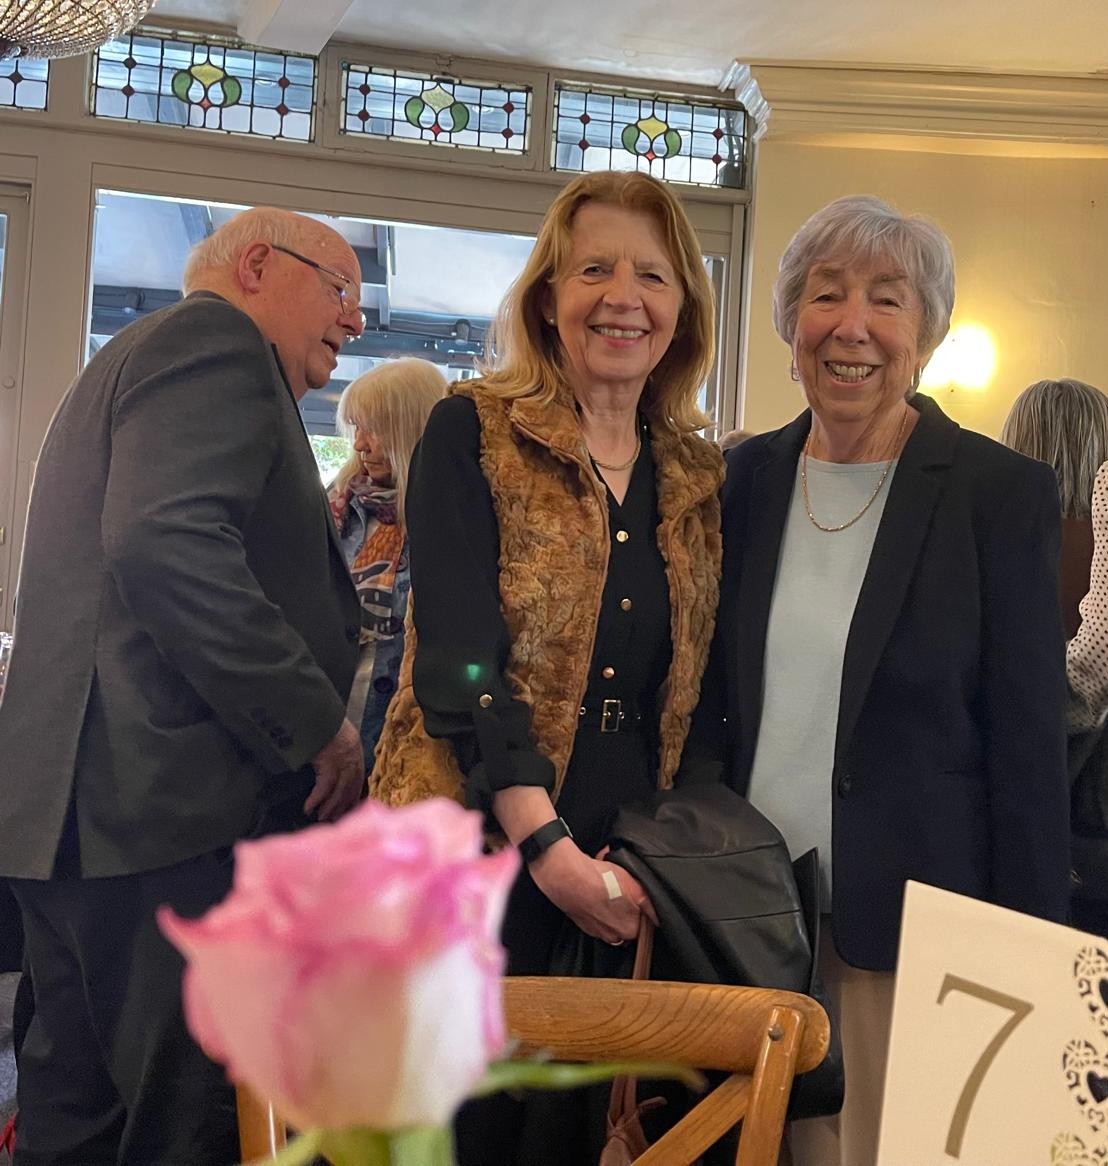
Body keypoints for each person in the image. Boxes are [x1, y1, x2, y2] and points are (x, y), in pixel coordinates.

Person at [683, 195, 1070, 1166]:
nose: (851, 325)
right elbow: (709, 703)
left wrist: (1031, 960)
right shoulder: (742, 482)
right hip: (751, 917)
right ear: (790, 323)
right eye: (826, 295)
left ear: (925, 335)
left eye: (886, 300)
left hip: (912, 925)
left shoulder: (996, 494)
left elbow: (1028, 752)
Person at [0, 207, 367, 1165]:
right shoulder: (218, 343)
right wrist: (316, 723)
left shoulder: (131, 356)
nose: (357, 318)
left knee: (72, 1125)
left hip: (76, 828)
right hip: (164, 822)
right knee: (190, 1130)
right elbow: (167, 542)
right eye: (340, 287)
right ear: (257, 265)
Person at [371, 169, 724, 1164]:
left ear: (682, 309)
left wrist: (662, 860)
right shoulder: (472, 429)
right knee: (461, 1123)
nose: (623, 298)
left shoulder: (696, 472)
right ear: (546, 298)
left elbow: (700, 684)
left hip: (627, 853)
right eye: (594, 270)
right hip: (477, 830)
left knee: (580, 1128)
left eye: (652, 275)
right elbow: (459, 664)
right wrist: (546, 845)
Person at [328, 358, 446, 762]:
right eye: (356, 428)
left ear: (410, 428)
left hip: (406, 746)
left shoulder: (451, 525)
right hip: (325, 738)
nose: (360, 444)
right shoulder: (333, 512)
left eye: (374, 428)